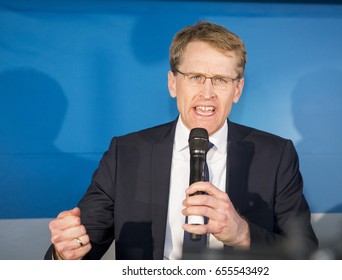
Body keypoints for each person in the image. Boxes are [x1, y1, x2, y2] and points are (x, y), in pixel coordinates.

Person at [45, 21, 318, 260]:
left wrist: (242, 233)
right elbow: (82, 245)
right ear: (173, 84)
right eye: (196, 77)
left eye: (221, 80)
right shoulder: (126, 153)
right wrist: (66, 252)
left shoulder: (275, 155)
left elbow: (305, 255)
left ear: (238, 90)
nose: (207, 93)